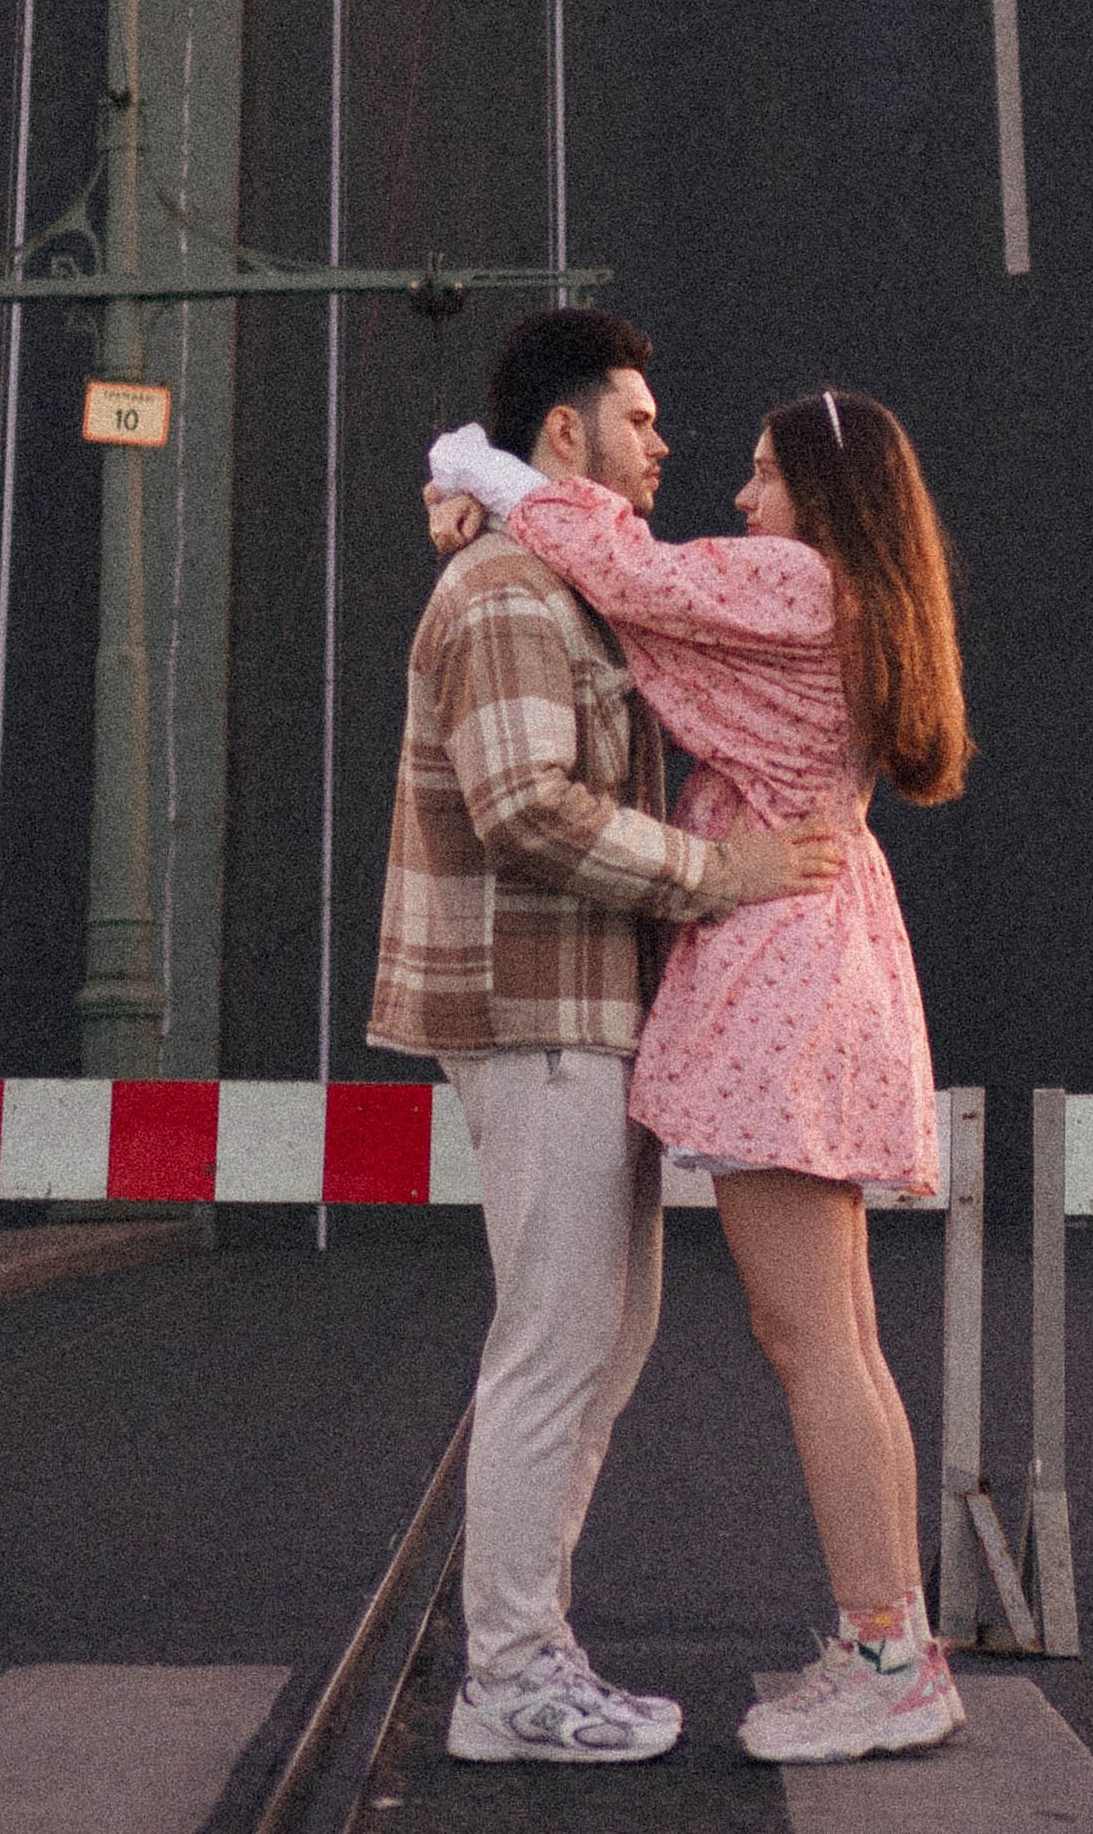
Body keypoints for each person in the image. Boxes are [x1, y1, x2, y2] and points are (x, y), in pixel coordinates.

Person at [425, 372, 975, 1768]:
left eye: (761, 470)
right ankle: (893, 1640)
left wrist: (480, 471)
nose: (737, 493)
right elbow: (644, 602)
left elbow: (631, 571)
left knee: (813, 1347)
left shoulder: (797, 579)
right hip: (830, 951)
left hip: (779, 969)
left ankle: (886, 1657)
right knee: (841, 1339)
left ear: (819, 494)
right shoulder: (856, 596)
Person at [368, 306, 846, 1769]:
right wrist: (725, 876)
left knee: (600, 1337)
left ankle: (531, 1644)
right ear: (564, 433)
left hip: (582, 1011)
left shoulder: (550, 575)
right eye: (640, 416)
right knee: (556, 1340)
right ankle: (506, 1672)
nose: (665, 442)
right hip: (533, 1009)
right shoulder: (510, 591)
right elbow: (526, 809)